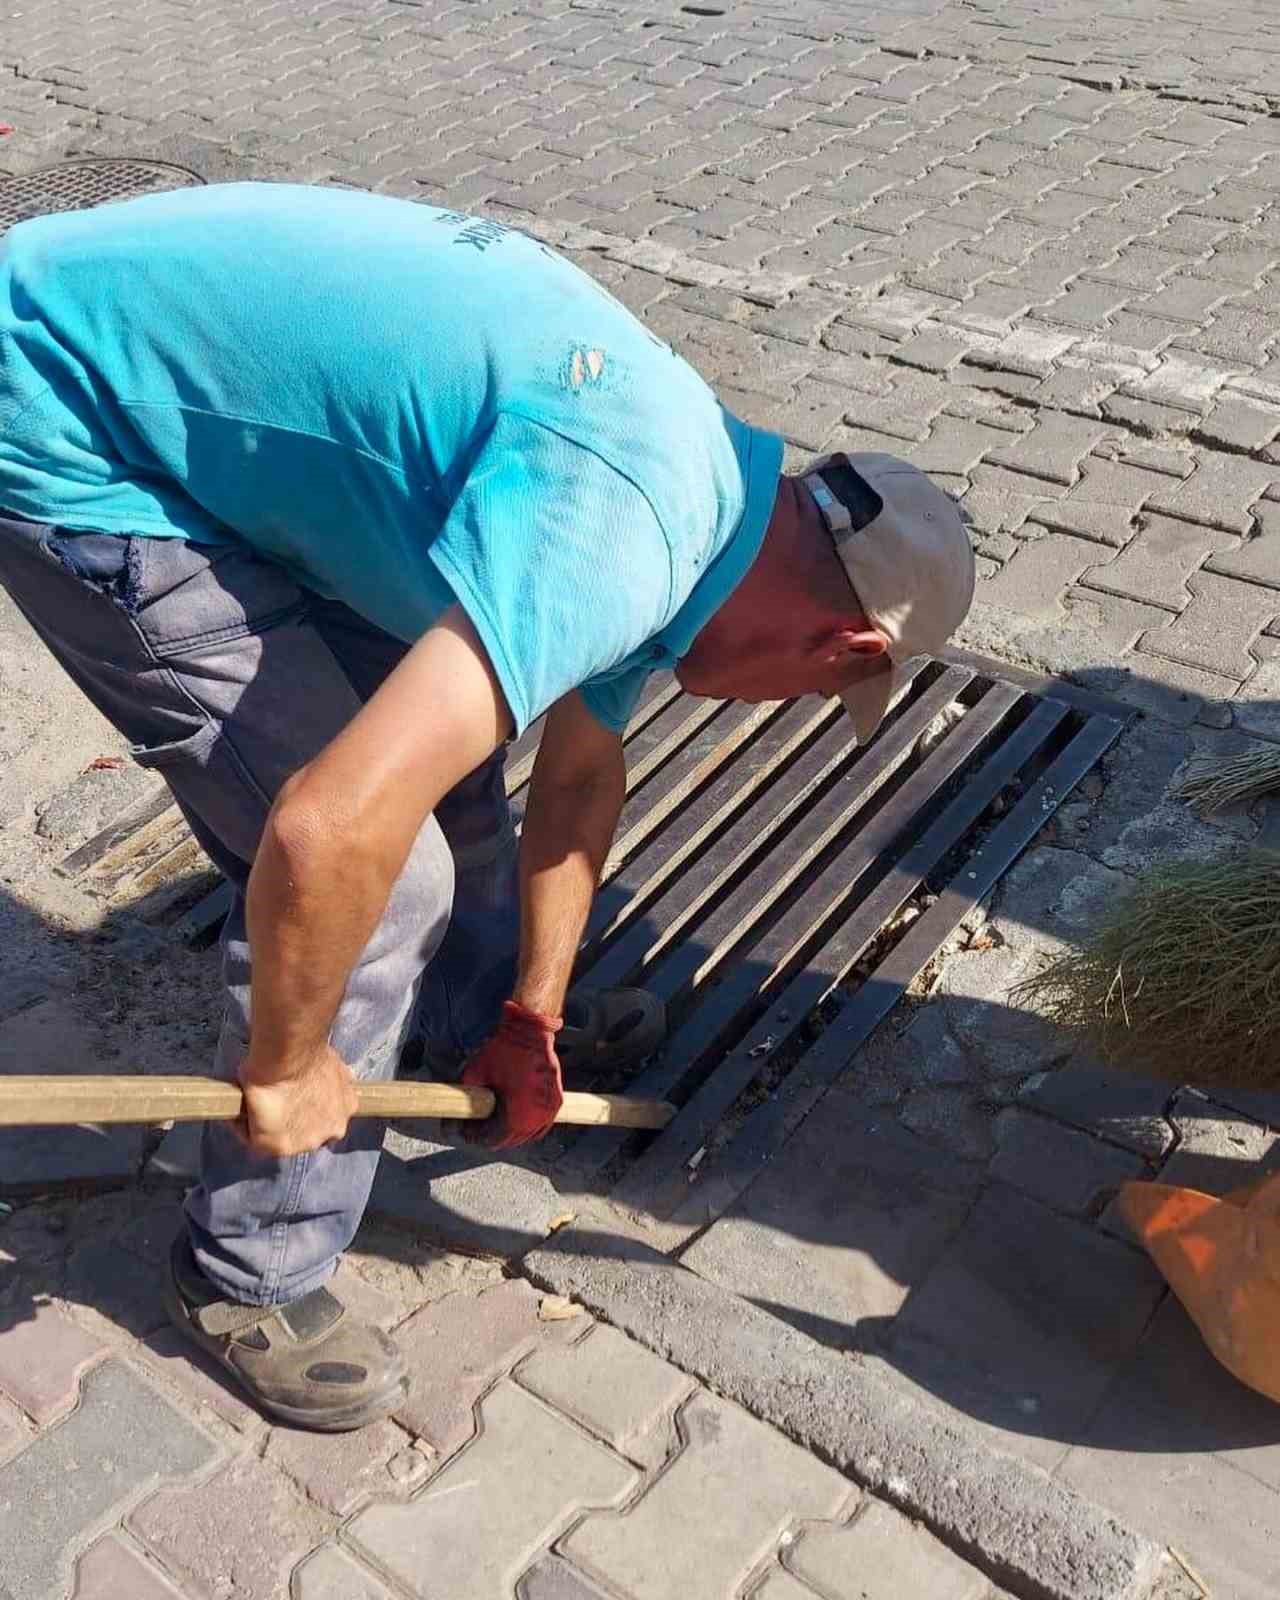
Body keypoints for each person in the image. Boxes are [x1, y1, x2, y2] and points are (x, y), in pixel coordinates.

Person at [0, 183, 974, 1431]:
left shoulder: (716, 505)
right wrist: (286, 1066)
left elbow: (574, 776)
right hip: (69, 417)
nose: (770, 712)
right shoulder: (622, 533)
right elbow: (325, 827)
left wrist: (533, 1010)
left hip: (184, 393)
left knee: (454, 759)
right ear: (840, 646)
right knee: (380, 875)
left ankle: (458, 1027)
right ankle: (251, 1267)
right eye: (810, 698)